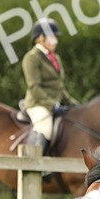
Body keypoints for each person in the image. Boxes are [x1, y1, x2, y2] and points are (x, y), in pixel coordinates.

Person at [21, 18, 78, 152]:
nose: (55, 41)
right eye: (51, 37)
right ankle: (33, 166)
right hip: (38, 104)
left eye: (56, 37)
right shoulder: (32, 57)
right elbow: (34, 87)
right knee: (45, 128)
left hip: (55, 104)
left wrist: (72, 103)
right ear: (39, 38)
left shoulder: (55, 57)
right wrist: (52, 105)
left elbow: (58, 86)